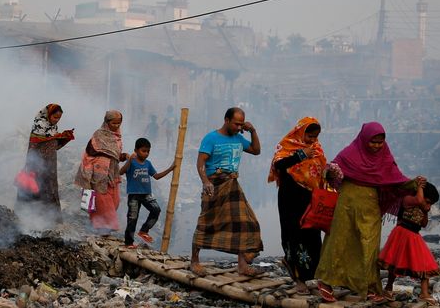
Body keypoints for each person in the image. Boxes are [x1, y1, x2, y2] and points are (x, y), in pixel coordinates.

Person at [314, 122, 422, 303]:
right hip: (346, 206)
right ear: (364, 139)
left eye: (380, 142)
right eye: (374, 142)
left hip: (371, 207)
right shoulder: (349, 154)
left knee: (369, 246)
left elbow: (395, 180)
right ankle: (326, 283)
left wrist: (413, 183)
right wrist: (331, 171)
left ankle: (369, 286)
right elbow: (330, 172)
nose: (377, 145)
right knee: (339, 243)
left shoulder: (385, 157)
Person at [192, 107, 263, 276]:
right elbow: (200, 162)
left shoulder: (239, 139)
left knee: (244, 222)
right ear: (226, 120)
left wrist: (252, 130)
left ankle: (242, 265)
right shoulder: (211, 138)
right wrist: (206, 182)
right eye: (236, 124)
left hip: (232, 183)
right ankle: (194, 261)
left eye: (241, 124)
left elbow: (256, 150)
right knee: (206, 222)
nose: (239, 128)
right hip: (214, 184)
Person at [267, 117, 327, 294]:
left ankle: (312, 277)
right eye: (309, 136)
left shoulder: (317, 149)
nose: (312, 140)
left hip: (310, 199)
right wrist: (301, 155)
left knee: (312, 236)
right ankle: (298, 278)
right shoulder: (287, 145)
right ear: (301, 132)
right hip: (290, 198)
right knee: (294, 234)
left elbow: (321, 171)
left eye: (315, 137)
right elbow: (278, 164)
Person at [380, 180, 440, 302]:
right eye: (428, 202)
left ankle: (424, 293)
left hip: (414, 235)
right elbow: (419, 200)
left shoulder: (423, 207)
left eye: (431, 205)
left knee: (425, 264)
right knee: (394, 262)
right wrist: (420, 187)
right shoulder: (408, 200)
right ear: (420, 194)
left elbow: (424, 224)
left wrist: (425, 211)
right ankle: (388, 287)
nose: (429, 206)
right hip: (401, 233)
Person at [16, 104, 75, 224]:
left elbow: (54, 146)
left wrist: (65, 137)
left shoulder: (53, 128)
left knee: (49, 189)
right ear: (48, 114)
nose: (56, 120)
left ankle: (50, 218)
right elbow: (34, 147)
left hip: (50, 165)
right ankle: (29, 217)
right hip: (37, 165)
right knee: (35, 188)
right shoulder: (39, 125)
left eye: (59, 118)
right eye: (55, 117)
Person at [74, 110, 127, 235]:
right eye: (114, 123)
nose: (116, 126)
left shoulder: (117, 137)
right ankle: (104, 229)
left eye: (119, 123)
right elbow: (90, 153)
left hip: (112, 173)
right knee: (103, 202)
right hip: (98, 173)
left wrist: (124, 156)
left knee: (114, 201)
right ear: (107, 122)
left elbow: (115, 155)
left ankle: (99, 225)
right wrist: (88, 174)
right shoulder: (99, 135)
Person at [118, 137, 176, 247]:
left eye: (148, 151)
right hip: (134, 195)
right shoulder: (132, 162)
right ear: (136, 150)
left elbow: (157, 176)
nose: (146, 153)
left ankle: (144, 230)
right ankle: (129, 243)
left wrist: (170, 169)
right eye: (143, 151)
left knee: (156, 210)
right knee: (132, 219)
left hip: (146, 194)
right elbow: (121, 172)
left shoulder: (148, 164)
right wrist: (129, 160)